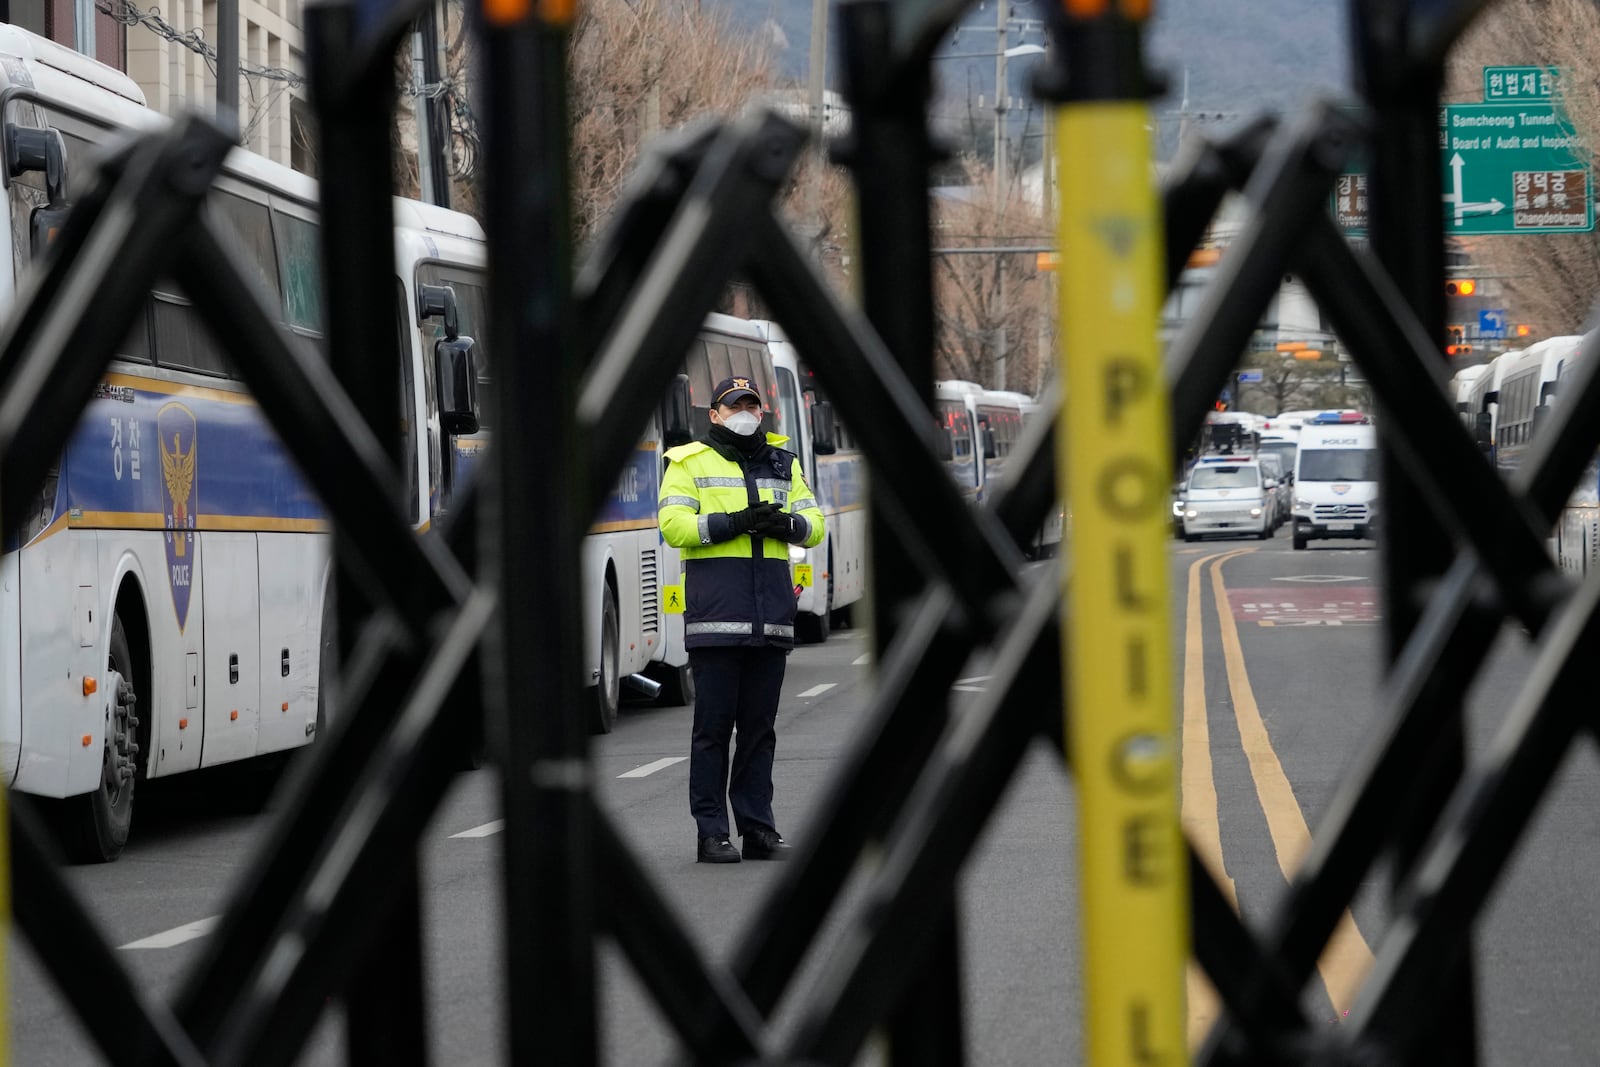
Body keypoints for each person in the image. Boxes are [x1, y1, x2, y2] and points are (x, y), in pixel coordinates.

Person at [657, 376, 826, 863]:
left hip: (770, 617)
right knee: (712, 731)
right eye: (735, 406)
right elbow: (673, 526)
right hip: (716, 620)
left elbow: (815, 524)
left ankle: (758, 829)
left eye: (752, 404)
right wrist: (733, 523)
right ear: (714, 414)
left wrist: (787, 525)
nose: (745, 412)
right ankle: (712, 833)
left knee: (759, 731)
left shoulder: (782, 462)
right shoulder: (687, 462)